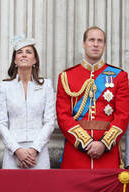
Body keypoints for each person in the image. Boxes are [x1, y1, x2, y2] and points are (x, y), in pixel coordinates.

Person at [56, 26, 129, 169]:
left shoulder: (119, 76)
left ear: (104, 45)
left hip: (107, 153)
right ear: (84, 44)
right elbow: (63, 116)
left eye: (100, 41)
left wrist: (104, 144)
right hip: (76, 153)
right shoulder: (66, 76)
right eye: (91, 40)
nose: (96, 44)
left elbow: (123, 116)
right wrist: (86, 143)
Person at [0, 36, 55, 169]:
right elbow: (1, 123)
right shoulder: (5, 87)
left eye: (28, 52)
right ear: (15, 60)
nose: (24, 55)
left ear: (34, 60)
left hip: (39, 152)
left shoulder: (46, 85)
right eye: (19, 52)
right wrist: (17, 149)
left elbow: (50, 121)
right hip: (13, 152)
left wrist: (34, 149)